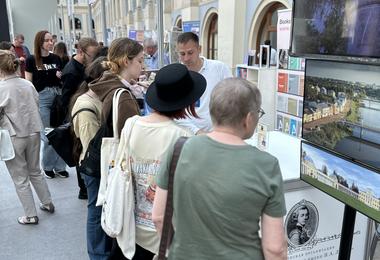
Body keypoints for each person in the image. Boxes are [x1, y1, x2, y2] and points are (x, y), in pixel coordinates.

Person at [153, 78, 287, 260]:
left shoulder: (178, 149)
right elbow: (275, 248)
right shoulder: (266, 165)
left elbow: (159, 217)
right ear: (248, 119)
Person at [114, 63, 205, 259]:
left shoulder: (132, 124)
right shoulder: (184, 137)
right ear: (187, 101)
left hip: (129, 226)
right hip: (164, 235)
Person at [87, 37, 142, 259]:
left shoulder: (109, 84)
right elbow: (133, 141)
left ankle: (99, 254)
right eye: (140, 60)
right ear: (126, 61)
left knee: (101, 211)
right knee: (113, 217)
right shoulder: (124, 96)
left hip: (100, 159)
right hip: (116, 163)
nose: (143, 66)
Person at [0, 50, 55, 225]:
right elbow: (36, 102)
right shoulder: (27, 84)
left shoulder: (2, 88)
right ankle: (47, 202)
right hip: (33, 131)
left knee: (20, 177)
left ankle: (31, 215)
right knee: (35, 171)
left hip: (14, 135)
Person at [70, 56, 113, 259]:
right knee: (96, 212)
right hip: (95, 169)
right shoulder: (86, 106)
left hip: (102, 166)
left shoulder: (98, 99)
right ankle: (97, 254)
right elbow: (92, 148)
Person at [25, 30, 67, 179]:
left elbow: (61, 79)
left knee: (62, 132)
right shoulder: (31, 60)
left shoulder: (56, 58)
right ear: (40, 43)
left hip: (58, 97)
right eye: (47, 40)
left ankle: (60, 166)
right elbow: (28, 84)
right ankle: (48, 166)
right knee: (49, 135)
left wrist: (60, 77)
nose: (51, 43)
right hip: (42, 98)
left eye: (52, 40)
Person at [61, 37, 99, 199]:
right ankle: (83, 188)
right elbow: (66, 98)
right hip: (77, 115)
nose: (94, 59)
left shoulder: (82, 66)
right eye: (91, 55)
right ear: (81, 52)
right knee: (80, 150)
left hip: (80, 111)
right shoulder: (71, 71)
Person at [175, 32, 232, 134]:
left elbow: (232, 97)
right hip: (188, 134)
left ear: (199, 49)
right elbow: (175, 110)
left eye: (190, 53)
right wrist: (197, 131)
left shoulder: (219, 68)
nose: (186, 58)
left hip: (218, 131)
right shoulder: (176, 75)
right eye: (182, 54)